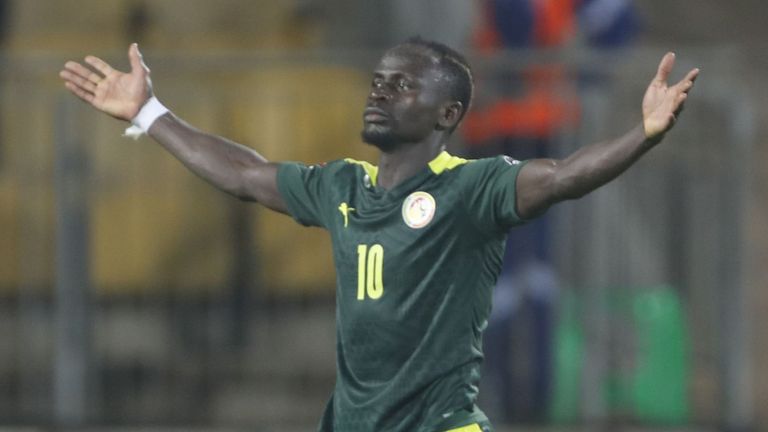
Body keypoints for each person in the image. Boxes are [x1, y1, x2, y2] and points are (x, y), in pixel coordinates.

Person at [59, 37, 698, 432]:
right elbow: (246, 174)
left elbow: (561, 176)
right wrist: (148, 111)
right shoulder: (342, 187)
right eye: (378, 81)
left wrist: (641, 136)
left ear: (448, 114)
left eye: (403, 85)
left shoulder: (470, 190)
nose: (381, 92)